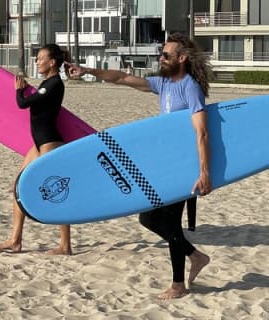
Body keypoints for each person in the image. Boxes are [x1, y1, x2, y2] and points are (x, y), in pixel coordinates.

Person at [66, 32, 212, 299]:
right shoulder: (163, 84)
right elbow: (122, 78)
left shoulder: (190, 87)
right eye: (162, 53)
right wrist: (87, 70)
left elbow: (202, 132)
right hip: (166, 165)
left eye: (166, 55)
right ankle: (195, 256)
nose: (161, 58)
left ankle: (179, 284)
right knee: (148, 218)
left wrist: (204, 173)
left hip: (184, 166)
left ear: (181, 58)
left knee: (168, 221)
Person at [0, 44, 72, 255]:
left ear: (52, 62)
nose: (37, 61)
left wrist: (19, 90)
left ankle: (65, 245)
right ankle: (15, 240)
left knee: (57, 196)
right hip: (38, 145)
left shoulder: (55, 84)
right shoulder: (47, 84)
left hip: (50, 144)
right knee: (17, 188)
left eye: (40, 58)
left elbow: (23, 104)